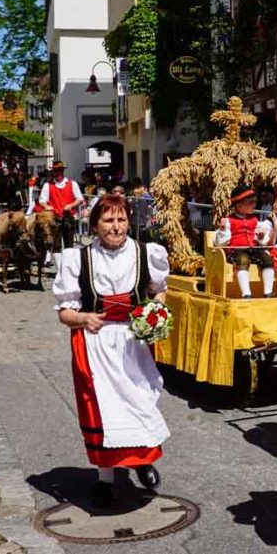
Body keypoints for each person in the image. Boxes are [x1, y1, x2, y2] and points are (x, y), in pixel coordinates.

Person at [53, 194, 171, 507]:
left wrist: (153, 314)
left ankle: (142, 460)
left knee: (139, 404)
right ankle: (105, 480)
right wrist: (83, 317)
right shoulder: (78, 259)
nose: (116, 227)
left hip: (133, 343)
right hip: (95, 344)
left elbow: (158, 292)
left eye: (121, 220)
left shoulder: (147, 253)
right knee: (103, 411)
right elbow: (64, 313)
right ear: (95, 225)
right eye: (108, 220)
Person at [214, 185, 276, 299]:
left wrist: (261, 237)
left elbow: (259, 239)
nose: (254, 205)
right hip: (237, 250)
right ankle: (246, 293)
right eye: (251, 202)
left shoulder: (254, 220)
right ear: (239, 205)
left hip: (253, 249)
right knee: (243, 260)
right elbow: (219, 243)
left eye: (254, 202)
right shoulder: (228, 221)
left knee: (267, 259)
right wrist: (222, 229)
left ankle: (268, 292)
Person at [39, 161, 86, 265]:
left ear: (63, 171)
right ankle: (60, 269)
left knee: (69, 244)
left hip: (68, 218)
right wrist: (47, 206)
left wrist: (71, 205)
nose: (57, 173)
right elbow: (42, 200)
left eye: (59, 170)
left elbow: (79, 198)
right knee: (56, 245)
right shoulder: (48, 185)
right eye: (55, 171)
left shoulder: (72, 183)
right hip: (54, 218)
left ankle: (68, 266)